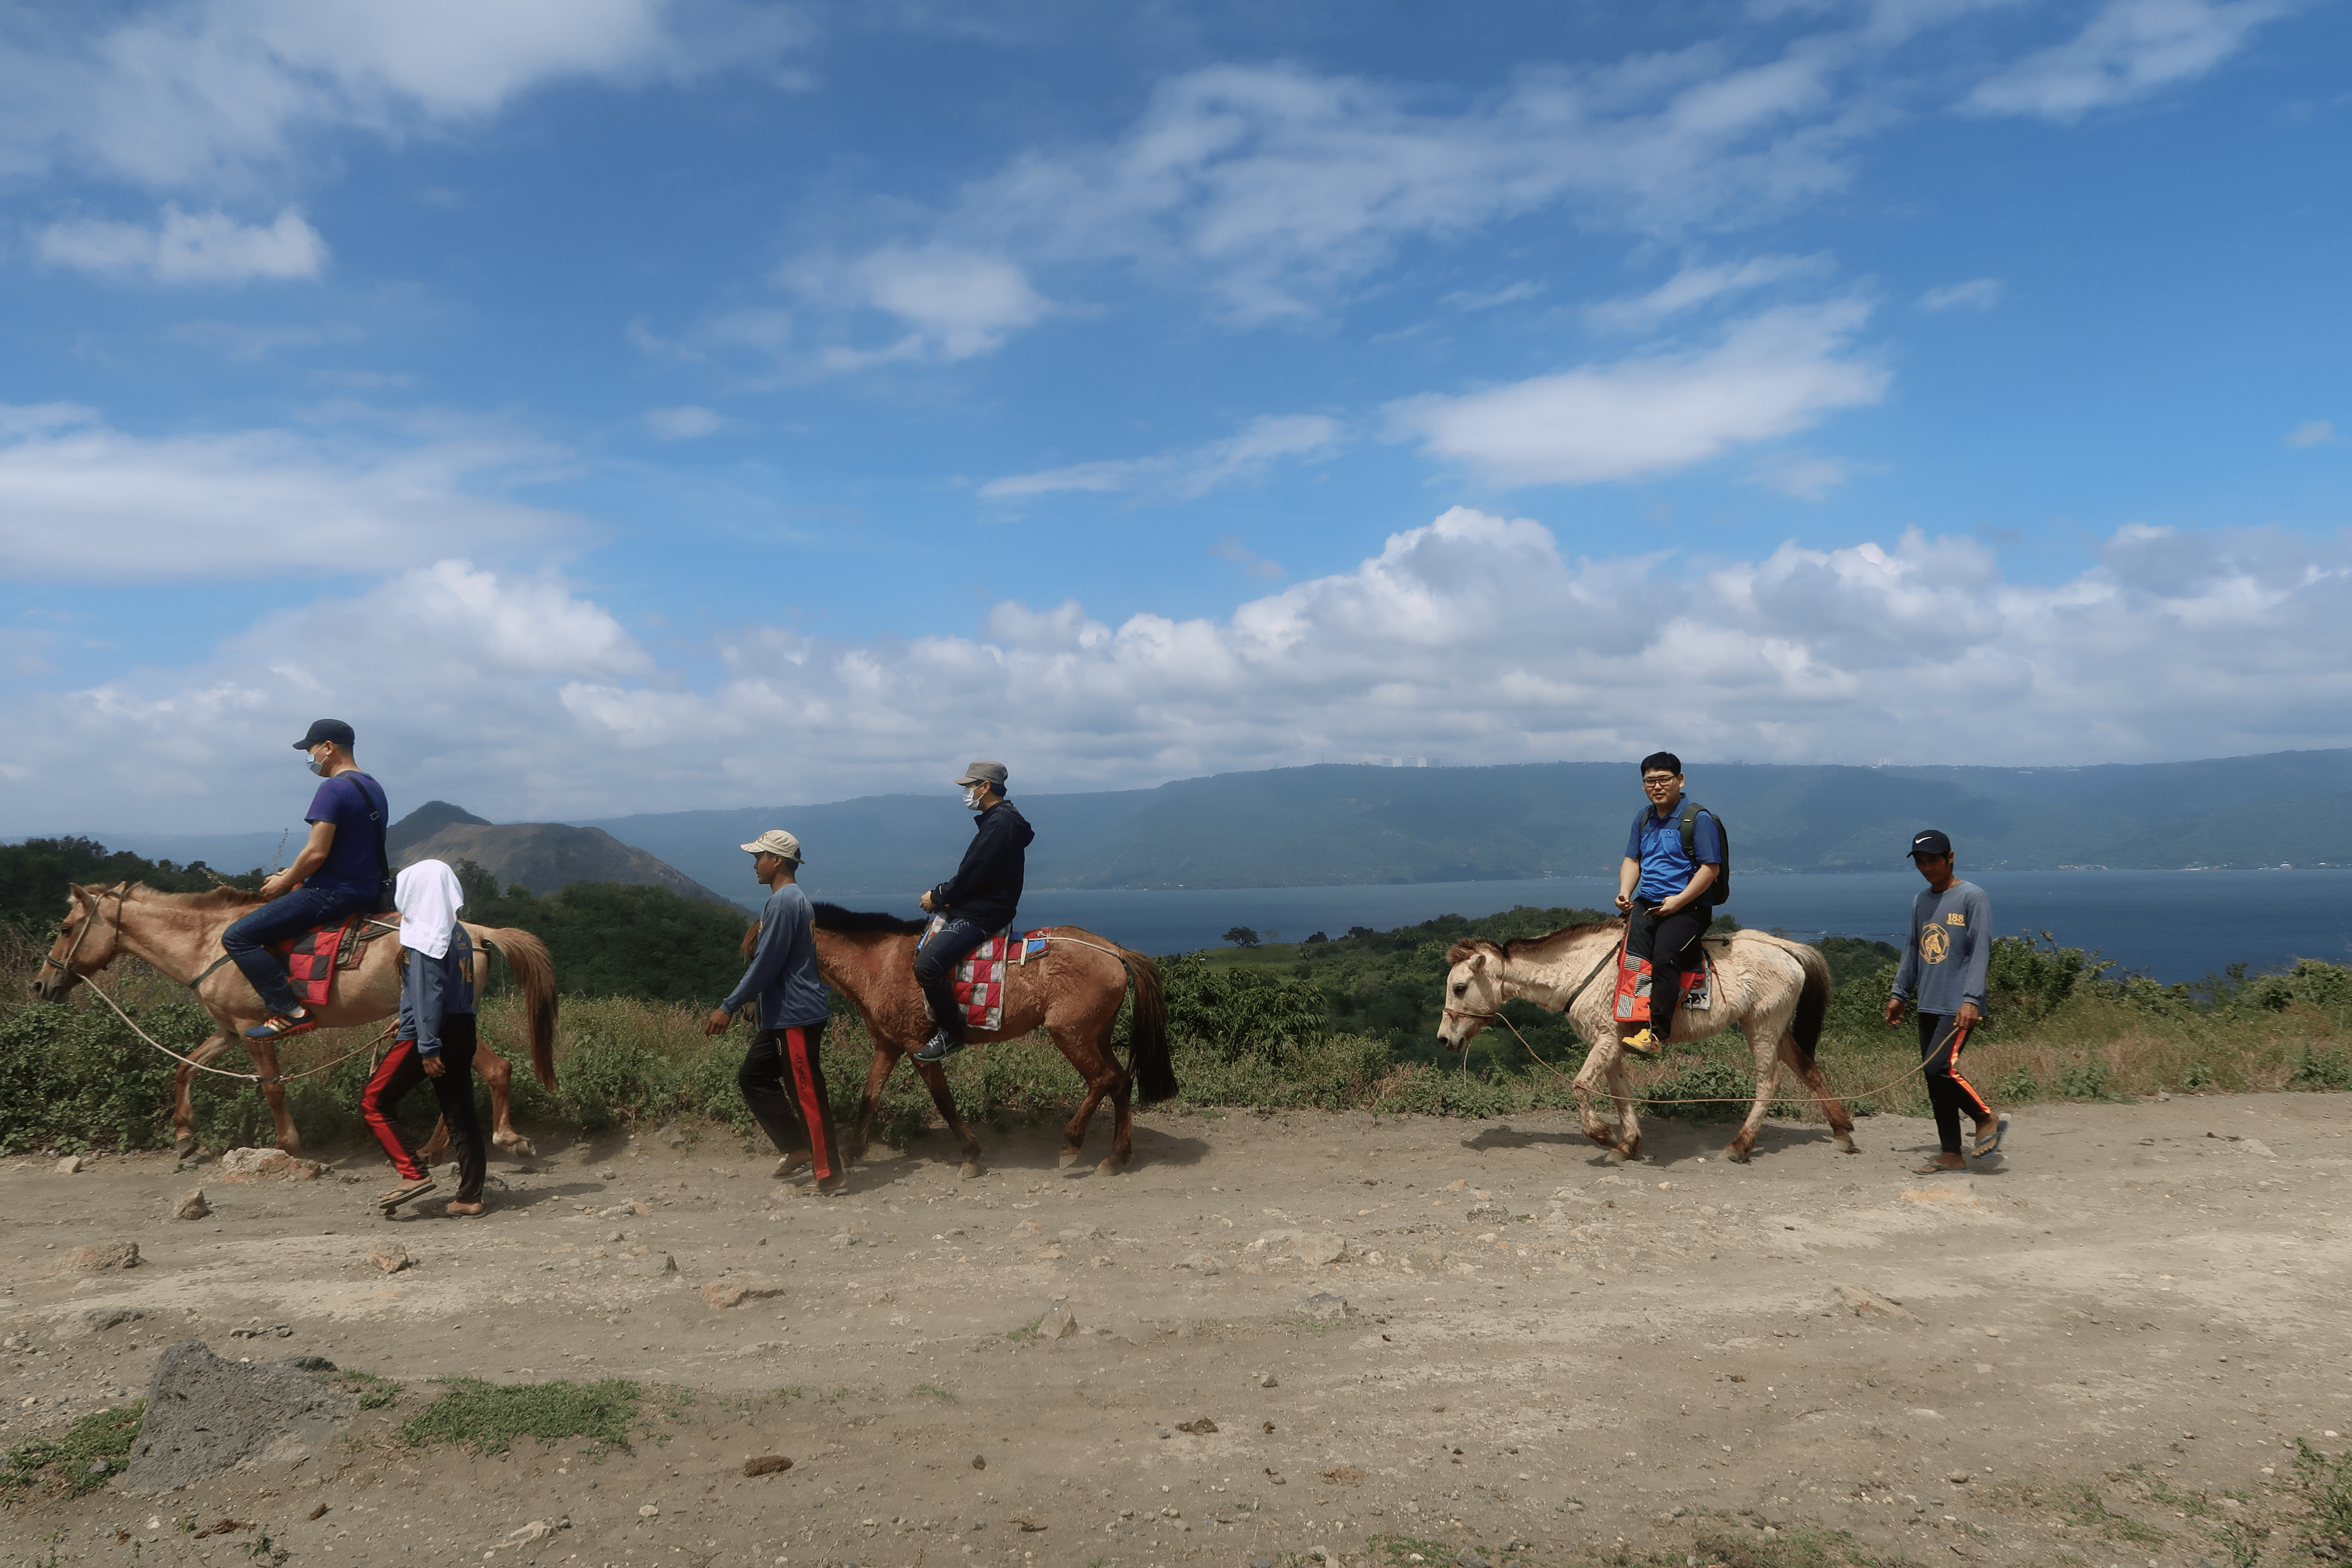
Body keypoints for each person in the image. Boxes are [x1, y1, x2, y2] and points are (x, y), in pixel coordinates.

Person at [220, 719, 391, 1041]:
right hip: (368, 890)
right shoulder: (373, 787)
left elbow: (316, 853)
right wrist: (292, 872)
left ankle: (290, 1010)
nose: (310, 759)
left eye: (311, 751)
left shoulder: (333, 789)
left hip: (333, 892)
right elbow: (353, 847)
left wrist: (284, 883)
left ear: (329, 748)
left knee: (238, 936)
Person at [703, 830, 843, 1194]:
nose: (755, 865)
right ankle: (798, 1149)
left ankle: (830, 1175)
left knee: (807, 1094)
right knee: (754, 1077)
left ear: (777, 861)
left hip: (796, 1016)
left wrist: (729, 1006)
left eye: (759, 857)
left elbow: (767, 963)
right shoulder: (789, 900)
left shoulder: (784, 903)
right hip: (783, 1015)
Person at [360, 860, 484, 1216]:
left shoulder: (425, 937)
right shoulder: (456, 932)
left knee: (373, 1102)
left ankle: (412, 1173)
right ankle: (471, 1197)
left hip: (431, 1036)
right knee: (460, 1113)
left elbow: (429, 992)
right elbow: (444, 990)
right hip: (462, 1027)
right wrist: (405, 1018)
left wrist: (427, 1045)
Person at [1884, 829, 2006, 1173]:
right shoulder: (1921, 901)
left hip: (1958, 1005)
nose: (1927, 868)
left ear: (1950, 858)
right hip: (1928, 1002)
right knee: (1934, 1078)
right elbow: (1913, 949)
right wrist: (1899, 993)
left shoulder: (1973, 897)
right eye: (1921, 862)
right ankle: (1951, 1153)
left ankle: (1985, 1117)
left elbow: (1981, 950)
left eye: (1933, 860)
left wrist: (1971, 999)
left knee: (1943, 1069)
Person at [911, 761, 1033, 1064]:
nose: (967, 792)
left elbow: (973, 874)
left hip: (983, 915)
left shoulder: (1000, 823)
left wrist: (938, 896)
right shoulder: (1000, 820)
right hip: (983, 907)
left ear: (985, 787)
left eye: (970, 786)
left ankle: (951, 1032)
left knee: (926, 966)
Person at [1613, 751, 1725, 1060]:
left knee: (1664, 959)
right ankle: (1632, 1023)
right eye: (1650, 781)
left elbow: (1710, 869)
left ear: (1680, 780)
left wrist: (1679, 902)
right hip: (1647, 904)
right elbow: (1632, 860)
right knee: (1632, 961)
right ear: (1643, 785)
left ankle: (1656, 1034)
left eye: (1664, 779)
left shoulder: (1697, 819)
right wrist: (1625, 891)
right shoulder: (1644, 818)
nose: (1657, 786)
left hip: (1689, 910)